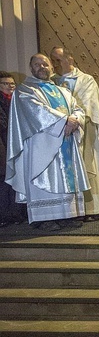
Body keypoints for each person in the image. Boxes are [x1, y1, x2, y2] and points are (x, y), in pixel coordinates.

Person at [5, 53, 89, 230]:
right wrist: (64, 121)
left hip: (65, 141)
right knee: (43, 176)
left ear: (52, 67)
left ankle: (67, 215)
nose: (41, 67)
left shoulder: (63, 91)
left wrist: (75, 119)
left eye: (45, 64)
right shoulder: (25, 90)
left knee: (66, 176)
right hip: (40, 145)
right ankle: (44, 218)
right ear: (31, 68)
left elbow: (78, 109)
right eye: (37, 65)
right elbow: (35, 110)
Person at [49, 46, 99, 219]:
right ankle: (65, 210)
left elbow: (89, 105)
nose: (54, 64)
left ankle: (88, 209)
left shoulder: (86, 80)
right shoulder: (51, 81)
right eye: (52, 60)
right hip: (58, 131)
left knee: (84, 166)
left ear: (70, 59)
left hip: (82, 131)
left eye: (58, 60)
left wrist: (74, 121)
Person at [0, 71, 26, 226]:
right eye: (5, 84)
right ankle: (4, 216)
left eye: (12, 84)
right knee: (4, 182)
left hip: (15, 145)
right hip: (3, 146)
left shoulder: (17, 100)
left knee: (16, 180)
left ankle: (16, 213)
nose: (10, 86)